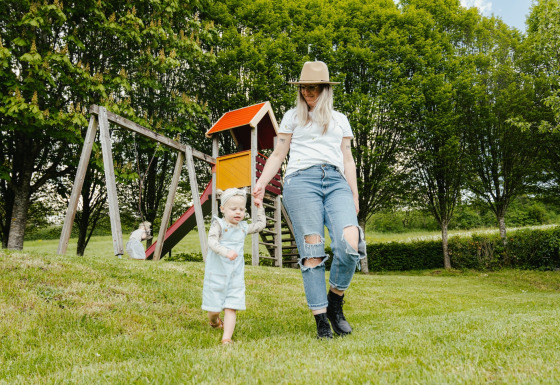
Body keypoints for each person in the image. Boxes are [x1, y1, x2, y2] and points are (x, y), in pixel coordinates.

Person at [252, 61, 366, 339]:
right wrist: (261, 182)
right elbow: (279, 154)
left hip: (337, 181)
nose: (308, 93)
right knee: (312, 251)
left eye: (314, 88)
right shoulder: (292, 116)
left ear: (325, 89)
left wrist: (354, 193)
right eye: (304, 88)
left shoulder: (340, 119)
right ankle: (321, 321)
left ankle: (335, 302)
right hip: (301, 181)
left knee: (349, 242)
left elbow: (348, 159)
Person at [202, 187, 266, 345]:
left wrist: (260, 208)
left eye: (242, 209)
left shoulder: (243, 227)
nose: (238, 212)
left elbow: (260, 225)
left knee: (232, 306)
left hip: (235, 275)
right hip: (217, 273)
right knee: (214, 310)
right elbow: (211, 242)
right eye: (233, 209)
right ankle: (215, 321)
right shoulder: (219, 225)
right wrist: (225, 252)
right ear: (222, 209)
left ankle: (226, 338)